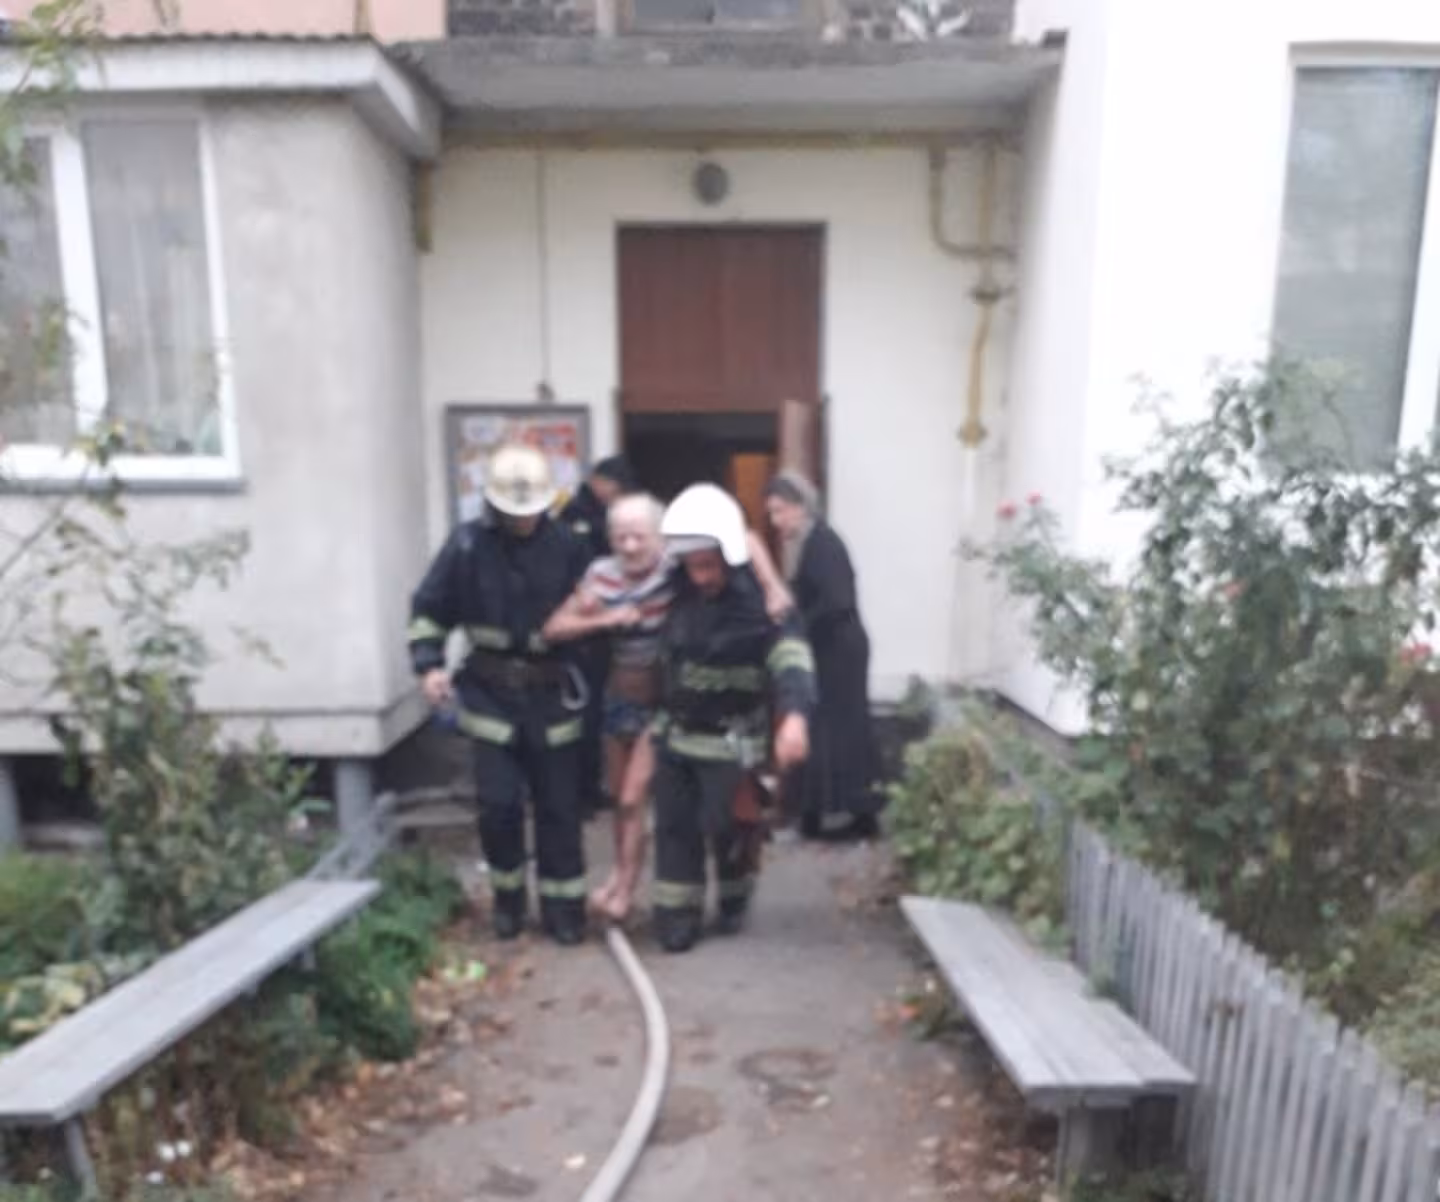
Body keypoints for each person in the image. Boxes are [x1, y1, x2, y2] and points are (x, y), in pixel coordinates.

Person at [542, 493, 795, 923]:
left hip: (663, 705)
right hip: (618, 700)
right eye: (620, 537)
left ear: (658, 538)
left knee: (637, 794)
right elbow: (553, 628)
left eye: (638, 536)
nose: (629, 547)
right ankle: (621, 881)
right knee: (622, 802)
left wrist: (773, 587)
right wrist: (603, 619)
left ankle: (627, 890)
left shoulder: (672, 567)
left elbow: (745, 537)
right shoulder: (601, 575)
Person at [408, 443, 591, 946]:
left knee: (559, 809)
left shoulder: (569, 546)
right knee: (498, 807)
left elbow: (596, 611)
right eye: (514, 512)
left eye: (531, 511)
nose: (524, 520)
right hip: (490, 696)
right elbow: (428, 609)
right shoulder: (468, 546)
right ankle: (509, 903)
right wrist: (429, 665)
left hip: (552, 695)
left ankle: (564, 909)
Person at [647, 483, 814, 953]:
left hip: (731, 744)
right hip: (676, 738)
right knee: (674, 832)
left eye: (709, 565)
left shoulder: (765, 606)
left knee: (730, 831)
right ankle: (677, 916)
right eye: (692, 565)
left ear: (731, 556)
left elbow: (793, 661)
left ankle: (734, 897)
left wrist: (795, 718)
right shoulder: (675, 591)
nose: (700, 576)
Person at [765, 470, 883, 841]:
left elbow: (836, 601)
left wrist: (798, 622)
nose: (775, 521)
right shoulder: (812, 542)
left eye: (779, 511)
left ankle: (837, 816)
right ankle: (833, 815)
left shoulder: (823, 544)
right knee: (832, 729)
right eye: (771, 513)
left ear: (800, 507)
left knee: (836, 729)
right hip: (832, 646)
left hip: (839, 650)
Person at [557, 455, 636, 818]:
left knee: (596, 715)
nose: (616, 496)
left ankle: (590, 789)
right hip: (579, 632)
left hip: (600, 631)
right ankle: (578, 795)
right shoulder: (576, 518)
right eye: (615, 489)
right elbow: (580, 574)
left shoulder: (602, 516)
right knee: (582, 716)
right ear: (600, 482)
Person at [559, 455, 636, 563]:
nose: (614, 490)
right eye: (608, 483)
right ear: (595, 480)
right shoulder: (575, 509)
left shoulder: (625, 506)